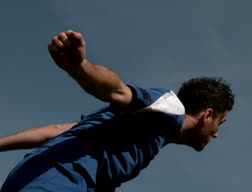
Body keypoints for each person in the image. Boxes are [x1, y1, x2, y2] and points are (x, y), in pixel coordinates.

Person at [0, 30, 234, 191]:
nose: (216, 134)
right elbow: (118, 91)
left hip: (31, 176)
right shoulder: (169, 108)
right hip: (55, 180)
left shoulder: (133, 126)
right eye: (219, 124)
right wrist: (80, 67)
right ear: (207, 114)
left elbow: (57, 130)